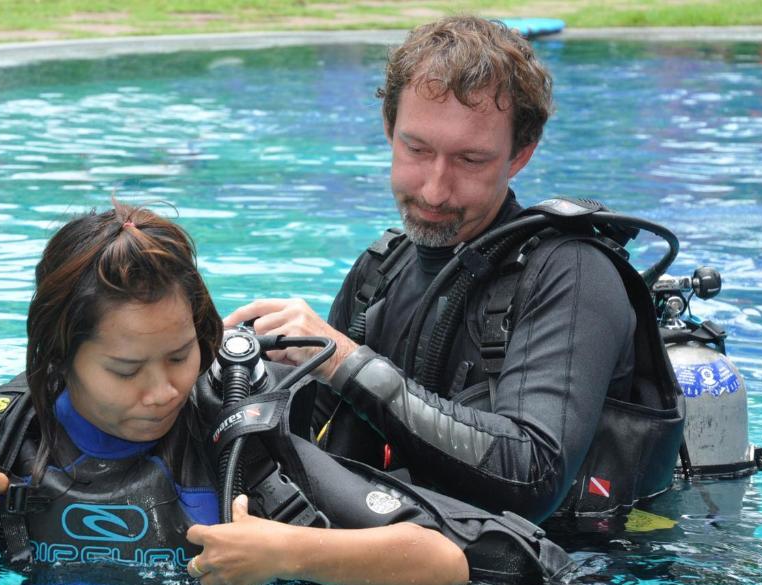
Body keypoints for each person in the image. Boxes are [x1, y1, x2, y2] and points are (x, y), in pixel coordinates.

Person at [0, 202, 570, 585]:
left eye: (180, 353)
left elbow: (439, 560)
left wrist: (290, 550)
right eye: (127, 368)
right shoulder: (15, 430)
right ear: (60, 357)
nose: (162, 389)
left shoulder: (230, 434)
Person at [226, 16, 683, 525]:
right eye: (417, 149)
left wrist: (345, 363)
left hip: (557, 583)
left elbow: (533, 475)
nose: (434, 190)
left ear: (520, 156)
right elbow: (307, 453)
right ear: (388, 128)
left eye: (470, 160)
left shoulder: (573, 275)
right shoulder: (377, 273)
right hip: (398, 563)